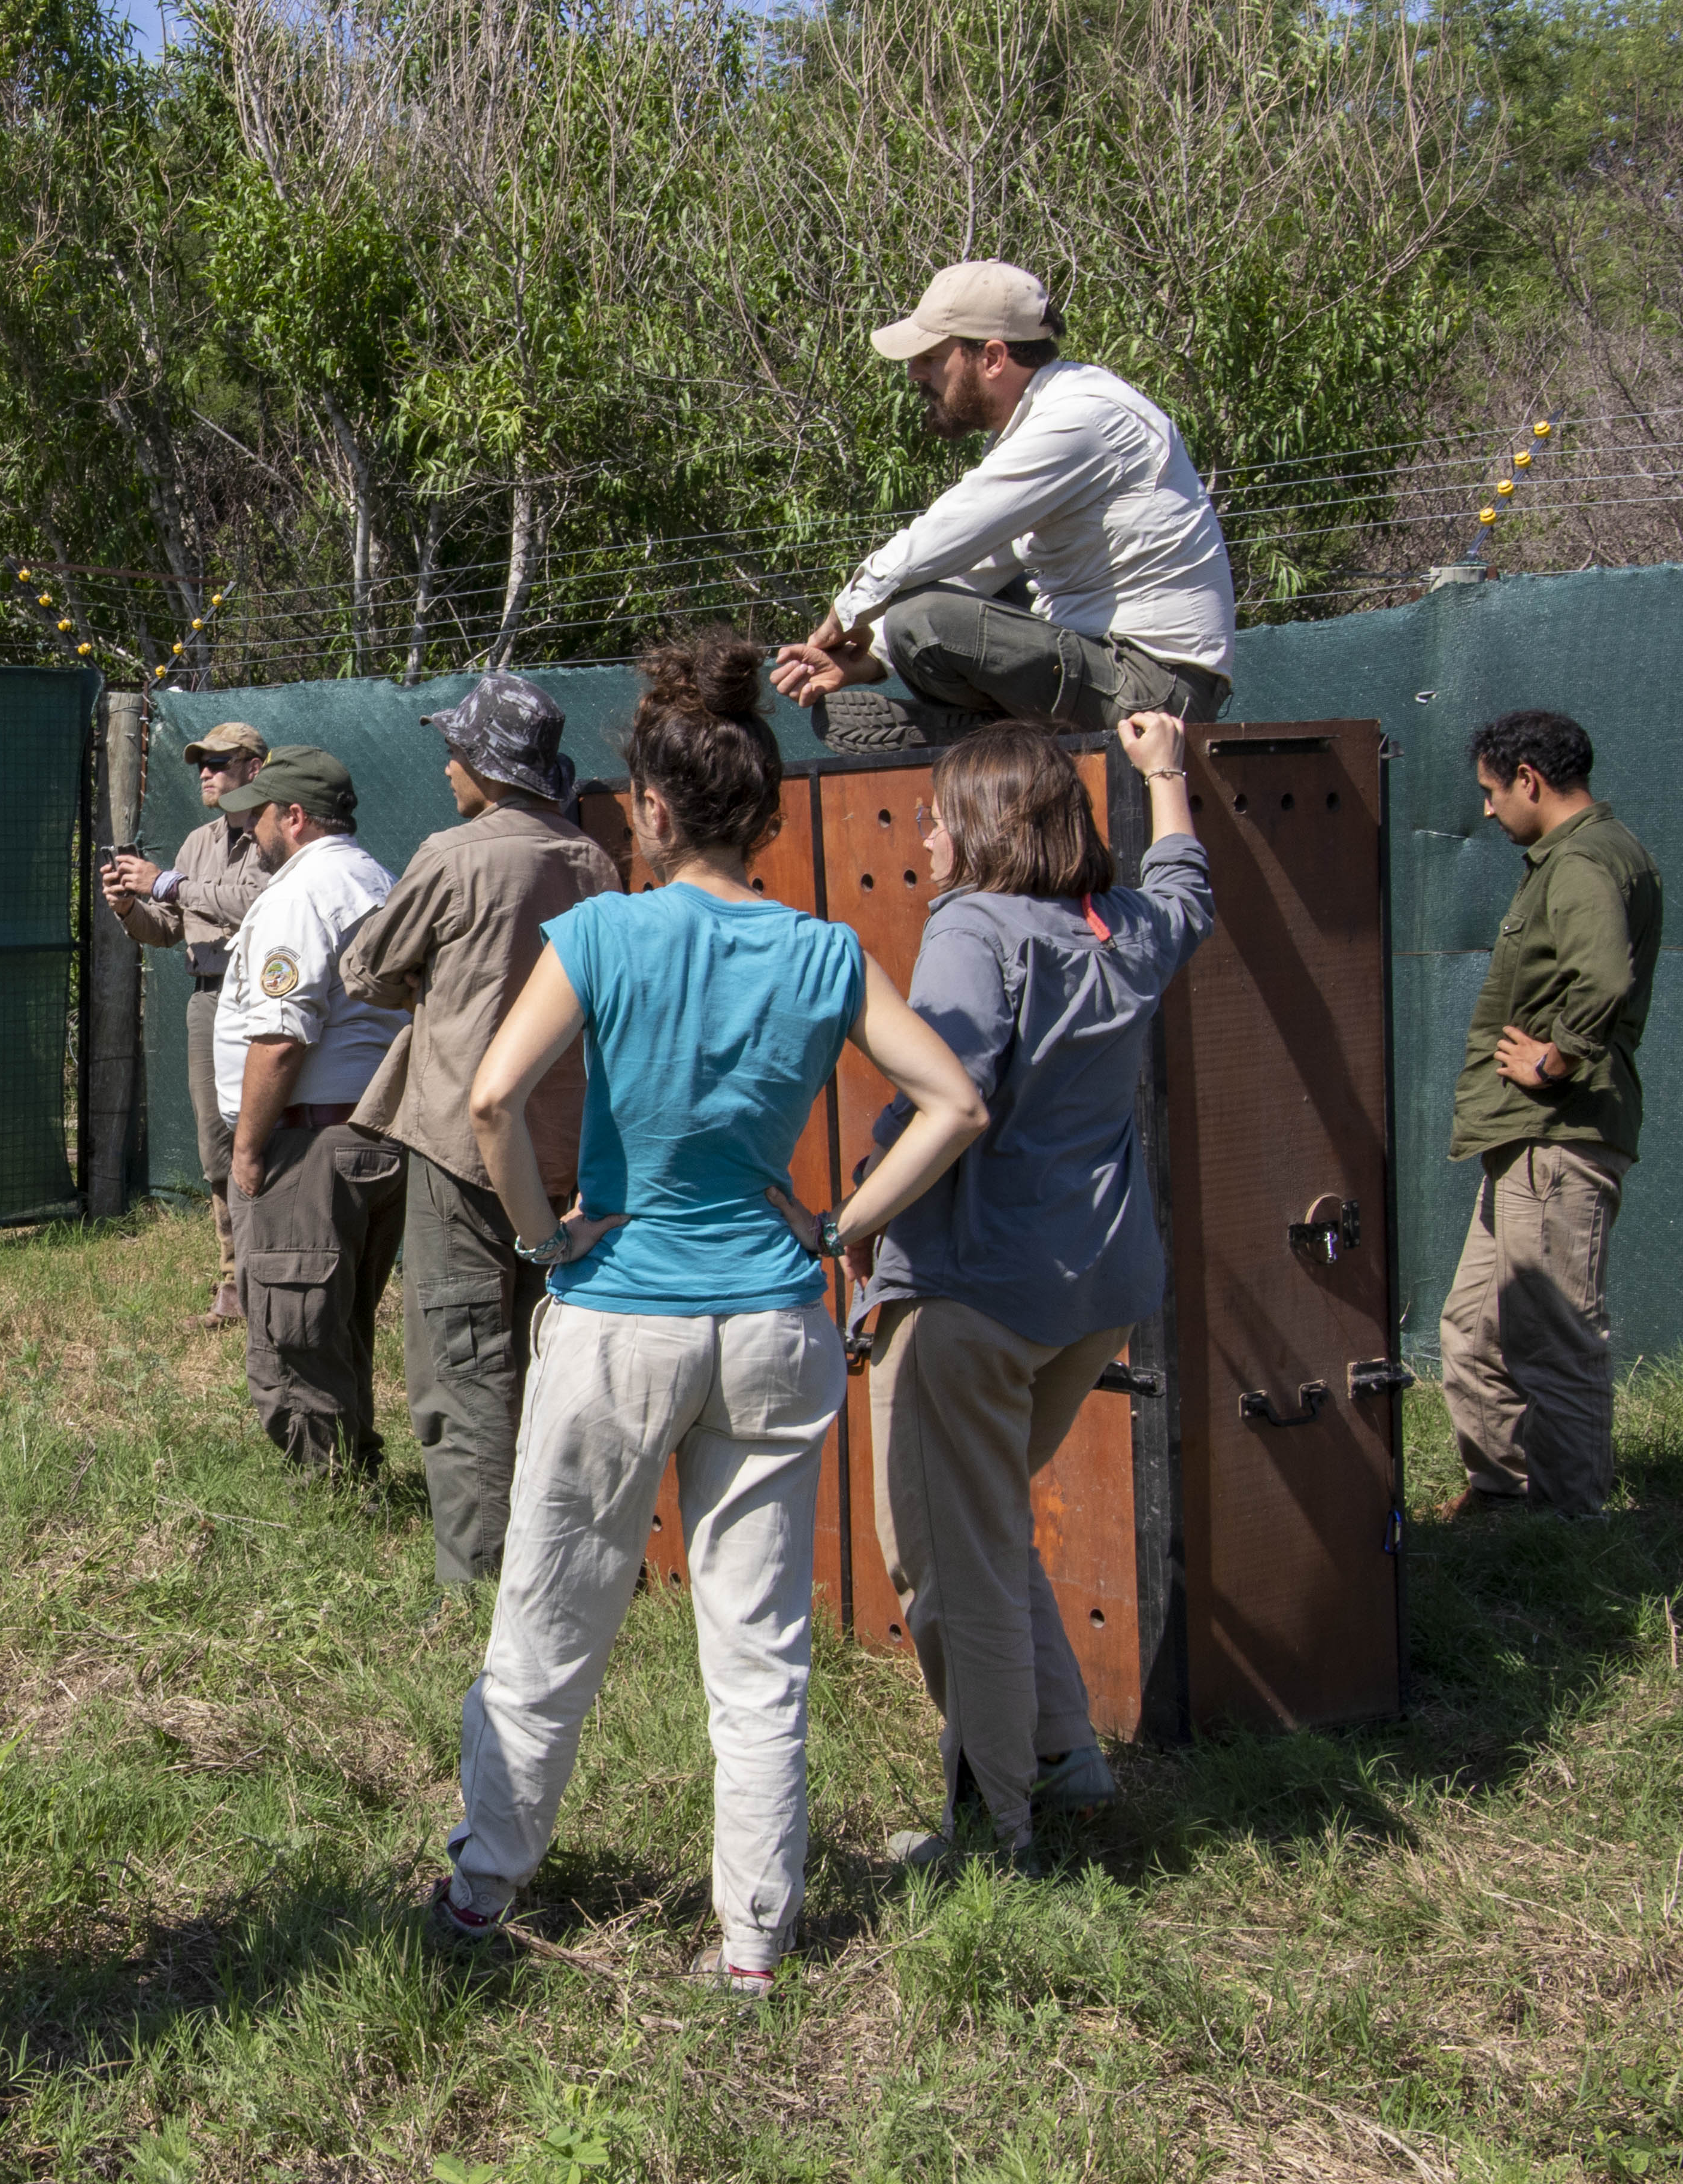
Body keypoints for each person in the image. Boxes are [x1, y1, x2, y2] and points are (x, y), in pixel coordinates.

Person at [430, 633, 987, 1996]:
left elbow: (491, 1100)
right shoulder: (821, 950)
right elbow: (955, 1102)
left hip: (617, 1317)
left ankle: (479, 1889)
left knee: (549, 1611)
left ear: (654, 810)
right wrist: (840, 1225)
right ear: (769, 815)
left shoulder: (607, 931)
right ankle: (752, 1942)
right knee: (757, 1648)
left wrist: (534, 1235)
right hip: (773, 1321)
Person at [849, 713, 1212, 1871]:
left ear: (984, 822)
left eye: (941, 808)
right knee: (987, 1522)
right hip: (1096, 1289)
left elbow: (944, 1094)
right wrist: (1165, 776)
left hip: (971, 1288)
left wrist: (859, 1207)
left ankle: (995, 1832)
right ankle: (1066, 1758)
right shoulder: (1117, 926)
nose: (924, 830)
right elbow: (1187, 889)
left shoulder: (972, 927)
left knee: (943, 1557)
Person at [342, 672, 623, 1588]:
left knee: (462, 1372)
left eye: (454, 753)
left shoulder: (455, 854)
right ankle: (555, 1564)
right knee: (540, 1356)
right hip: (562, 1150)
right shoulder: (593, 859)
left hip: (463, 1144)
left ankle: (477, 1588)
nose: (448, 770)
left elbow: (370, 967)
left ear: (487, 767)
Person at [768, 260, 1235, 754]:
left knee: (921, 617)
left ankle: (984, 737)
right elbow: (983, 564)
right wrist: (870, 655)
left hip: (1157, 693)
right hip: (1110, 671)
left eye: (930, 356)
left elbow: (948, 532)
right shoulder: (1042, 419)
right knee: (930, 604)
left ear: (992, 357)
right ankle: (1004, 735)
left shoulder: (1083, 419)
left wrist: (846, 612)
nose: (914, 373)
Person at [1438, 709, 1663, 1522]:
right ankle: (1506, 1498)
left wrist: (1555, 1056)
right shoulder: (1583, 855)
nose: (1490, 811)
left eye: (1494, 793)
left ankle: (1569, 1527)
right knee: (1472, 1328)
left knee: (1556, 1337)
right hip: (1525, 1138)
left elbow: (1601, 977)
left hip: (1558, 1134)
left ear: (1528, 778)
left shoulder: (1581, 864)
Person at [214, 744, 412, 1477]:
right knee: (342, 1320)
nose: (250, 830)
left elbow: (281, 1036)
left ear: (294, 817)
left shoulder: (303, 893)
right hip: (375, 1132)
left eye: (259, 814)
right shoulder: (376, 880)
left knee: (295, 1329)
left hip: (311, 1139)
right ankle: (355, 1465)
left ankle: (327, 1492)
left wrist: (247, 1150)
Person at [104, 722, 275, 1327]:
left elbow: (259, 900)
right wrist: (130, 906)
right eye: (201, 762)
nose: (206, 772)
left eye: (220, 762)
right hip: (208, 997)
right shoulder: (198, 842)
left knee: (275, 1137)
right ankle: (234, 1285)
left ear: (254, 767)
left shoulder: (278, 832)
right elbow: (168, 927)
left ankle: (278, 1275)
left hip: (268, 998)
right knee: (217, 1145)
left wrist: (168, 884)